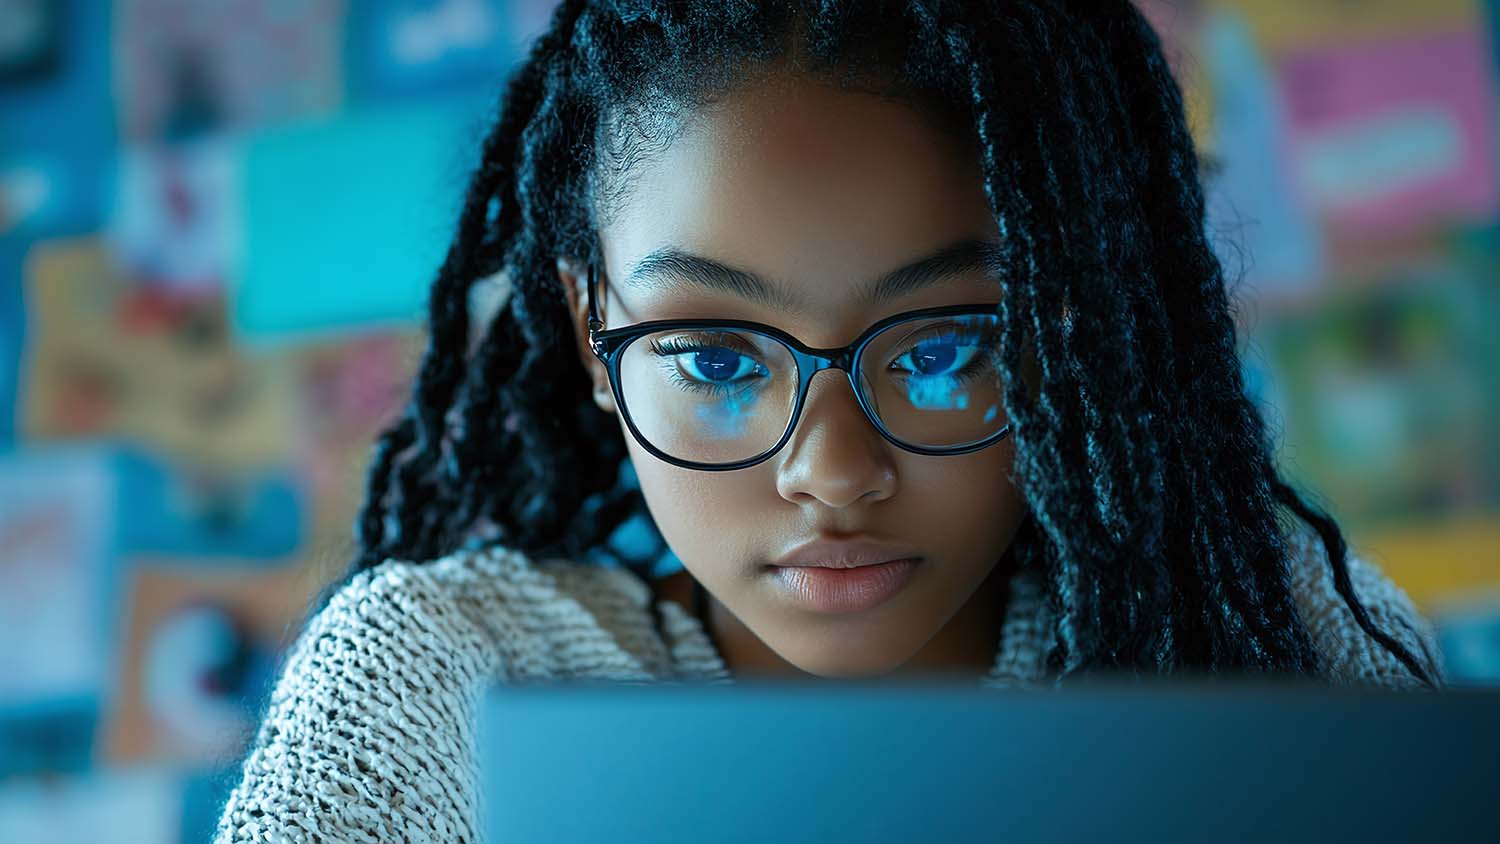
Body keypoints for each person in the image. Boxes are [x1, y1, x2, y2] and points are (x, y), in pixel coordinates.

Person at [215, 1, 1446, 840]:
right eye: (712, 356)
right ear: (595, 338)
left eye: (952, 346)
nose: (834, 471)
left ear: (1079, 332)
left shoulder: (1288, 646)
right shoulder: (433, 685)